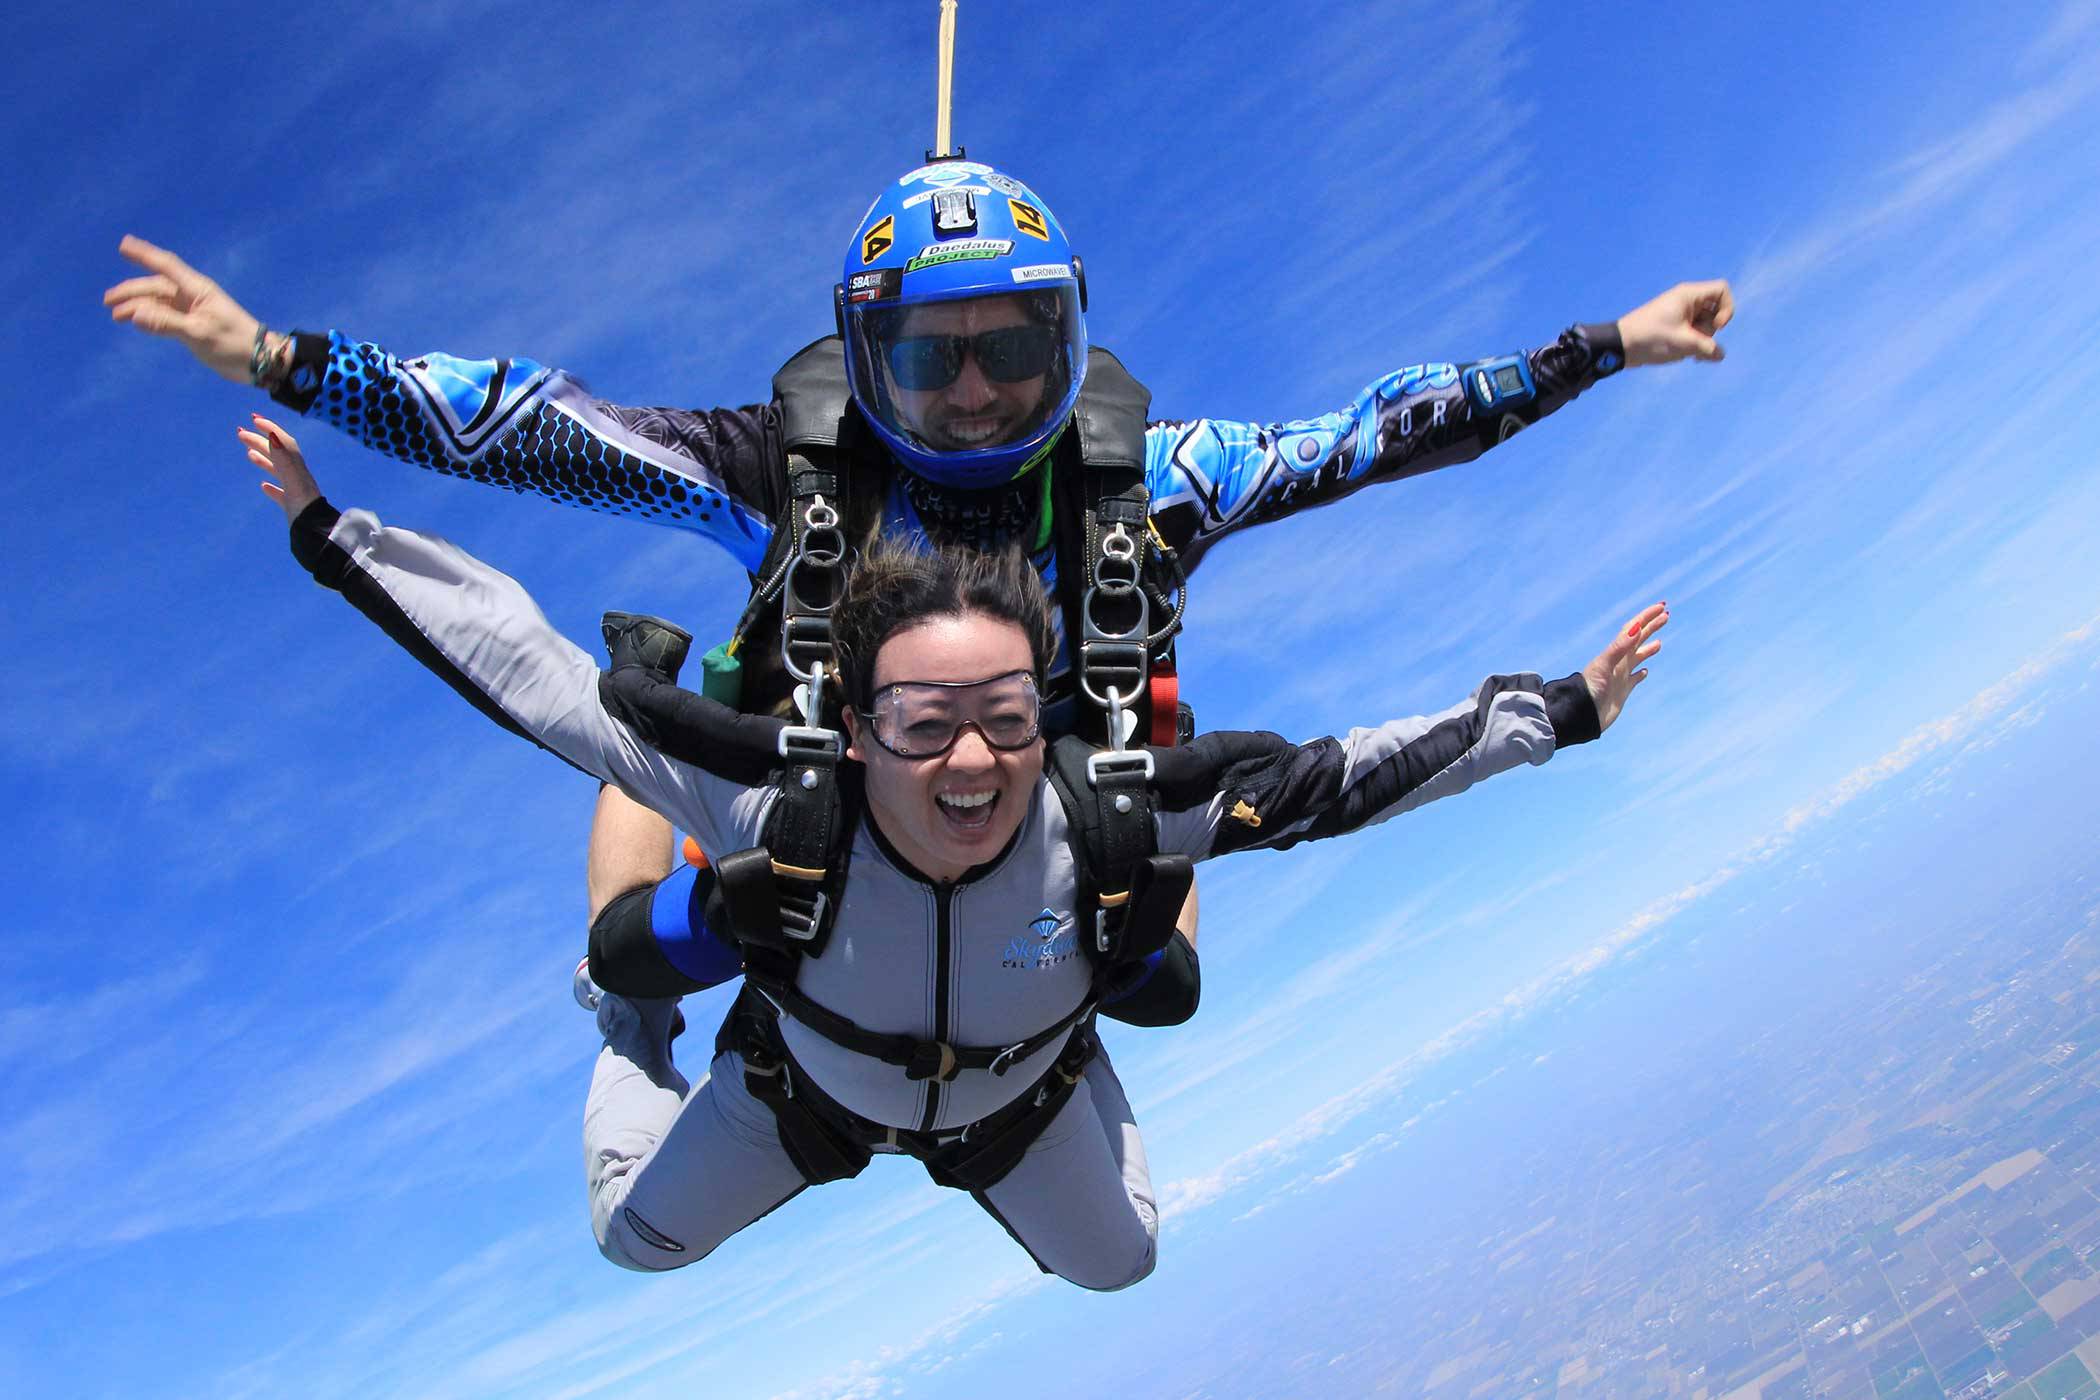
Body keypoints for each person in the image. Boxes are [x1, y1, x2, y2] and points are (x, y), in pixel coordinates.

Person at [112, 159, 1725, 1008]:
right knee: (646, 939)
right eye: (926, 357)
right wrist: (281, 356)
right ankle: (638, 851)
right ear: (862, 351)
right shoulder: (788, 465)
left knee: (1156, 976)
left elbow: (1376, 435)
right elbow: (541, 427)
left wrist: (1604, 348)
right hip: (811, 750)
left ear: (1066, 340)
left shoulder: (1152, 480)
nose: (969, 397)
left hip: (1045, 767)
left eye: (1010, 350)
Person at [238, 414, 1667, 1289]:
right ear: (857, 728)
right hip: (800, 1084)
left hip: (1014, 1098)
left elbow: (1352, 777)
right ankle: (632, 1020)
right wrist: (329, 529)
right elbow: (534, 675)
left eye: (1001, 717)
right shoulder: (780, 806)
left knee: (1125, 1264)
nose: (973, 759)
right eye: (926, 722)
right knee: (635, 1237)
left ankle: (1076, 1016)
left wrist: (1565, 712)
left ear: (1042, 722)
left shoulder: (1102, 808)